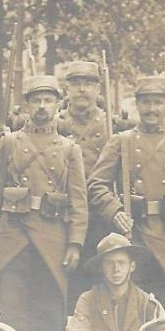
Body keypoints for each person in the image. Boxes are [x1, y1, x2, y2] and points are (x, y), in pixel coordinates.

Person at [0, 74, 88, 331]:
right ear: (26, 105)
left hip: (53, 240)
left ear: (58, 105)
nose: (41, 106)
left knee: (49, 309)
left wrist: (76, 242)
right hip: (13, 239)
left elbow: (79, 200)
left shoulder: (68, 149)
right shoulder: (9, 143)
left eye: (48, 100)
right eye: (36, 100)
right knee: (11, 308)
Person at [87, 73, 165, 319]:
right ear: (137, 105)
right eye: (146, 102)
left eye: (158, 102)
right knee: (127, 309)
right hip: (132, 237)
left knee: (164, 310)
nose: (152, 109)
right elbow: (96, 184)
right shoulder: (121, 141)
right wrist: (115, 211)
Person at [57, 60, 115, 312]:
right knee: (63, 287)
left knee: (102, 286)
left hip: (101, 218)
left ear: (98, 89)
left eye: (88, 84)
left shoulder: (112, 126)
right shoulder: (56, 123)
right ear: (66, 89)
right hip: (63, 218)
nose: (82, 90)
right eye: (76, 84)